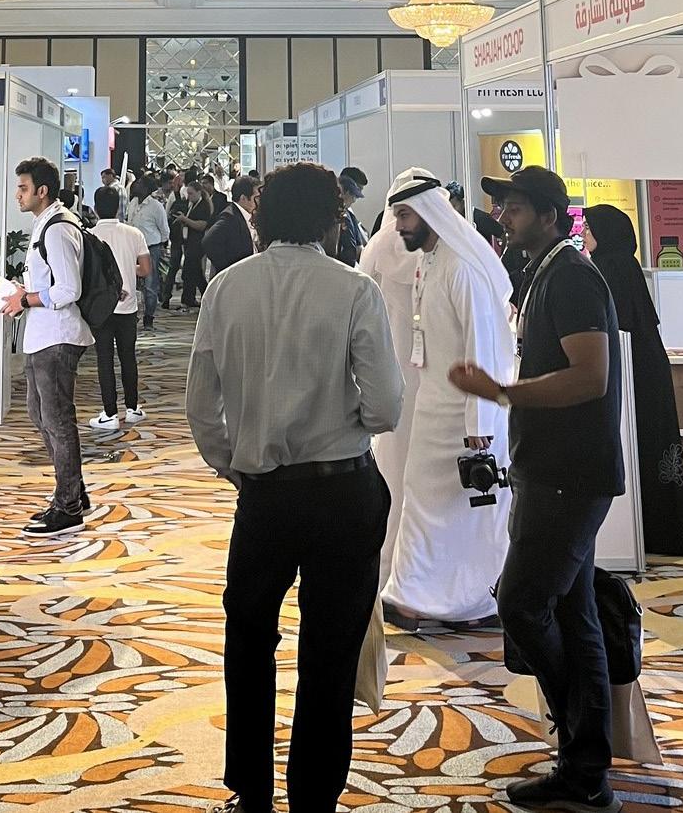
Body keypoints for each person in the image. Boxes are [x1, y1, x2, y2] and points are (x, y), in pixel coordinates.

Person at [187, 163, 403, 813]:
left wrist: (232, 463)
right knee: (330, 651)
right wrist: (342, 418)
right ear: (332, 221)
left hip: (263, 495)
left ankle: (250, 791)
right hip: (343, 491)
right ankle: (314, 798)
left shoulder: (226, 288)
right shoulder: (354, 289)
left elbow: (201, 405)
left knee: (248, 641)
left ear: (260, 216)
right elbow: (386, 408)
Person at [450, 166, 624, 813]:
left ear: (549, 215)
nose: (502, 217)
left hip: (566, 476)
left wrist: (501, 393)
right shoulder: (546, 270)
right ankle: (584, 768)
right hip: (552, 471)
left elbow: (589, 377)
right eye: (502, 207)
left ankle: (581, 749)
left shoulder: (571, 276)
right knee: (573, 618)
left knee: (522, 605)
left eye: (515, 208)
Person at [379, 169, 514, 629]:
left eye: (405, 216)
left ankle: (468, 602)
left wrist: (480, 421)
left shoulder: (462, 268)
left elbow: (484, 347)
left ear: (430, 213)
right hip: (433, 405)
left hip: (466, 416)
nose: (399, 226)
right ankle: (414, 595)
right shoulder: (429, 262)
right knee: (423, 502)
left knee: (469, 514)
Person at [584, 204, 683, 554]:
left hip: (633, 377)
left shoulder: (608, 270)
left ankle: (650, 532)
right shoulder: (622, 267)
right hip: (646, 372)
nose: (584, 234)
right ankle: (663, 529)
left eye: (589, 228)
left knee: (641, 446)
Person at [0, 156, 94, 537]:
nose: (17, 195)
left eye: (23, 188)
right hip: (43, 335)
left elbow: (69, 289)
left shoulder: (57, 228)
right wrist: (25, 294)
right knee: (41, 415)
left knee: (56, 420)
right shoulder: (47, 223)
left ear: (42, 190)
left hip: (57, 336)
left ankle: (68, 506)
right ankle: (72, 489)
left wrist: (27, 298)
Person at [359, 172, 423, 592]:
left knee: (395, 459)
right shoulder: (428, 250)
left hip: (391, 362)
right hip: (417, 367)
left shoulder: (378, 246)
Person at [89, 185, 151, 430]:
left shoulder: (89, 236)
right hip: (128, 307)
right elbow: (145, 269)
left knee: (104, 359)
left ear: (95, 209)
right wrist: (127, 268)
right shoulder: (134, 233)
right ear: (118, 208)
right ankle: (133, 408)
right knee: (128, 357)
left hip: (101, 308)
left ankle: (110, 413)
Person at [128, 175, 171, 332]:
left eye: (140, 183)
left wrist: (162, 246)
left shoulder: (156, 206)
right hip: (133, 247)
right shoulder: (133, 203)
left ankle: (148, 318)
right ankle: (131, 315)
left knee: (150, 284)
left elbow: (164, 229)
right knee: (130, 282)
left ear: (146, 188)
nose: (136, 185)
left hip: (151, 248)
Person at [203, 175, 259, 275]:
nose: (259, 201)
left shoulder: (245, 214)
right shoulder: (230, 217)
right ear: (243, 198)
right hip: (237, 276)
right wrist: (228, 269)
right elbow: (209, 241)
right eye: (256, 198)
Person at [175, 179, 212, 309]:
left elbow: (201, 225)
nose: (189, 196)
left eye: (191, 193)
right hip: (189, 241)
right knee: (191, 271)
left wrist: (185, 219)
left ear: (199, 192)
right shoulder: (192, 204)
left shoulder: (204, 206)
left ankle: (205, 295)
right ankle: (188, 298)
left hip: (197, 242)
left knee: (194, 271)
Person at [161, 170, 191, 310]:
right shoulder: (191, 194)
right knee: (185, 266)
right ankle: (184, 297)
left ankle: (167, 297)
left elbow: (167, 214)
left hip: (177, 236)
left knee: (174, 267)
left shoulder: (175, 196)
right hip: (185, 235)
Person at [335, 171, 368, 267]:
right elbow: (352, 249)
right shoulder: (345, 216)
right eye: (353, 195)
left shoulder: (346, 215)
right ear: (344, 193)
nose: (354, 200)